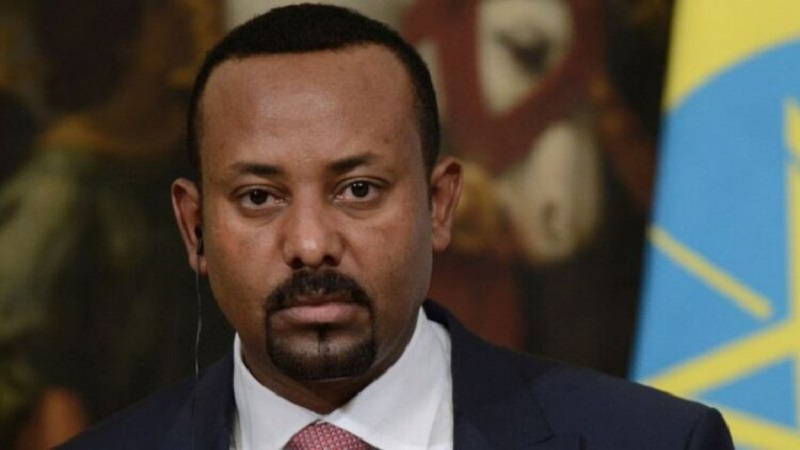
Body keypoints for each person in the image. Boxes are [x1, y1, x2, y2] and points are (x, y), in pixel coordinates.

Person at [59, 4, 734, 449]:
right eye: (260, 197)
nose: (311, 244)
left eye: (358, 190)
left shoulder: (655, 443)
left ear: (440, 205)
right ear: (195, 228)